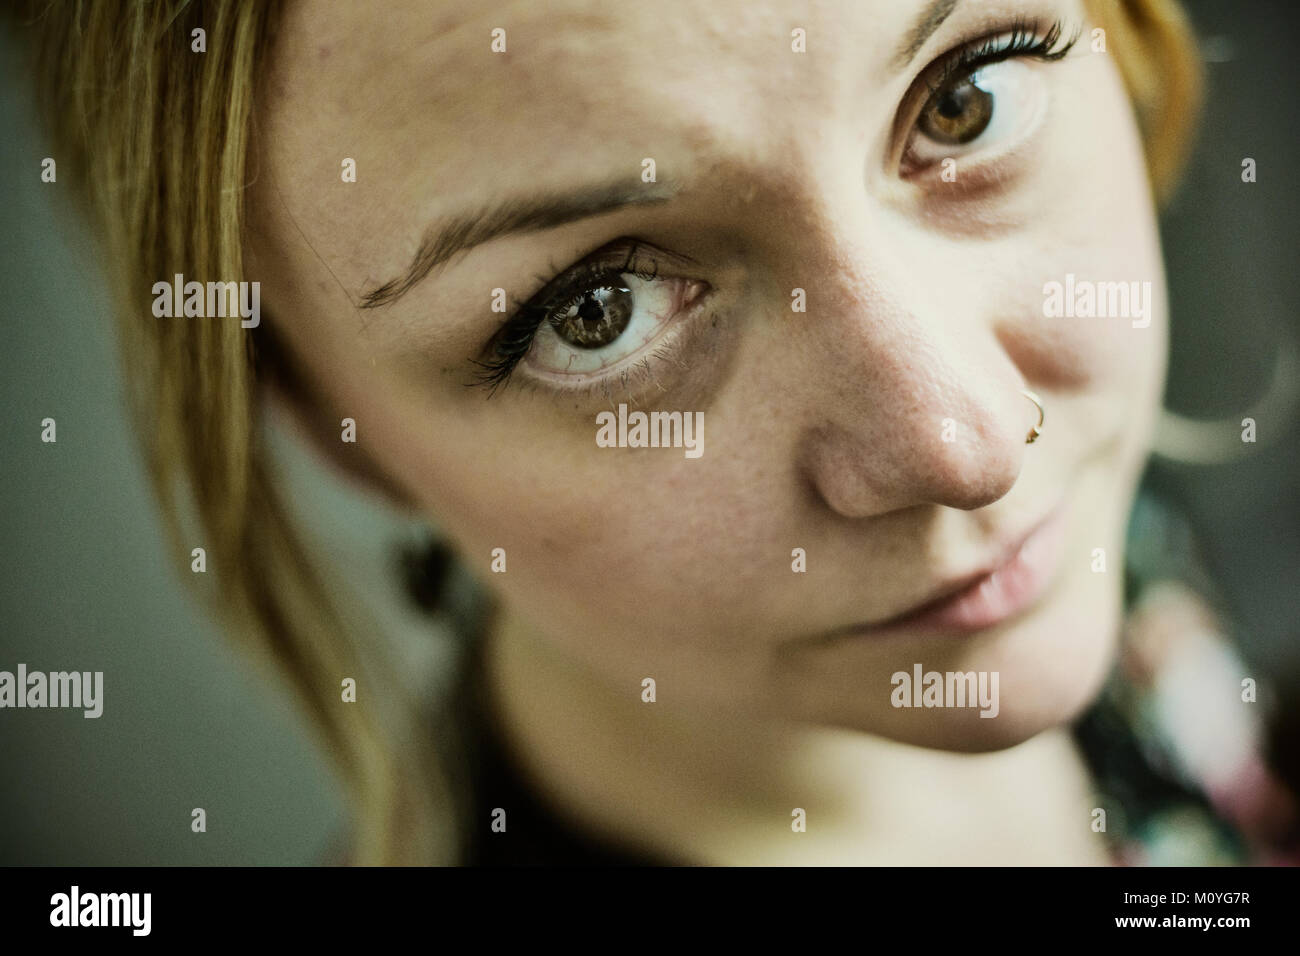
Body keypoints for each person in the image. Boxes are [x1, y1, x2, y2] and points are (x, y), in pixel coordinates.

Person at [10, 0, 1297, 865]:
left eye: (964, 98)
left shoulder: (1090, 558)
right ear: (331, 426)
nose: (967, 445)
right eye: (598, 309)